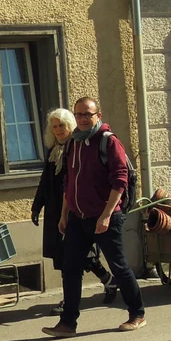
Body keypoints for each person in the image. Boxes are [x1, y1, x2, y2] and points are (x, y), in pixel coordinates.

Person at [42, 97, 146, 338]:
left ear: (98, 115)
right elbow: (69, 181)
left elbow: (120, 180)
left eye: (87, 114)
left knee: (119, 267)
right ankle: (68, 323)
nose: (82, 119)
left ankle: (137, 313)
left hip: (105, 218)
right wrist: (64, 214)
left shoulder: (108, 142)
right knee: (70, 269)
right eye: (78, 115)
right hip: (78, 218)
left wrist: (107, 215)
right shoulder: (73, 143)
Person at [31, 108, 117, 316]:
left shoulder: (77, 147)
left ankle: (69, 301)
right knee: (64, 256)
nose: (59, 130)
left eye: (62, 125)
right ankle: (108, 280)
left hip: (74, 208)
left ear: (70, 126)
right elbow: (45, 181)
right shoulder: (54, 150)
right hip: (55, 211)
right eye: (55, 126)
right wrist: (37, 206)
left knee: (71, 256)